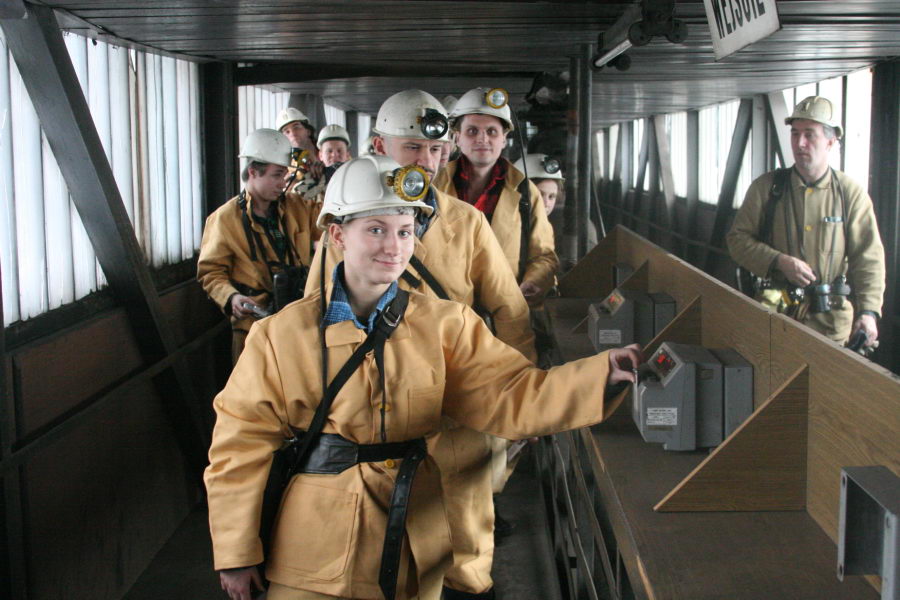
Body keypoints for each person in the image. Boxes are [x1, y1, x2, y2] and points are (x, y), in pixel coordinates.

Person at [205, 154, 642, 600]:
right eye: (375, 230)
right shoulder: (280, 336)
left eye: (404, 231)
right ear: (337, 234)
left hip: (414, 537)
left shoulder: (447, 325)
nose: (394, 247)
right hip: (314, 547)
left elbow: (509, 393)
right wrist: (237, 552)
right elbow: (241, 444)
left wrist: (596, 377)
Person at [303, 89, 536, 600]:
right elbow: (318, 316)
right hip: (375, 401)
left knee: (466, 524)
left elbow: (510, 311)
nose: (427, 161)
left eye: (436, 149)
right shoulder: (349, 224)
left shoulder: (466, 222)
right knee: (377, 529)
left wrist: (521, 395)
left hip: (456, 397)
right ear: (379, 146)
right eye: (412, 147)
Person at [727, 96, 885, 346]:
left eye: (809, 135)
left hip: (830, 323)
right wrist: (778, 261)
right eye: (795, 133)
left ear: (830, 142)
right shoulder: (767, 188)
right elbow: (737, 240)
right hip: (776, 311)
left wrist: (868, 312)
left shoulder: (849, 194)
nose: (800, 143)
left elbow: (868, 257)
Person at [197, 129, 319, 362]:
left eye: (285, 175)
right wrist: (231, 297)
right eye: (277, 175)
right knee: (254, 383)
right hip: (254, 325)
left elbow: (331, 222)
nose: (283, 183)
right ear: (253, 172)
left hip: (299, 319)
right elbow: (210, 272)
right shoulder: (225, 219)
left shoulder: (298, 207)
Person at [434, 87, 559, 308]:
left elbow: (544, 256)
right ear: (457, 137)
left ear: (504, 139)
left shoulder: (526, 193)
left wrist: (534, 281)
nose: (482, 139)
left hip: (504, 309)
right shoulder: (433, 187)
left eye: (492, 132)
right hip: (445, 309)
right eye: (472, 131)